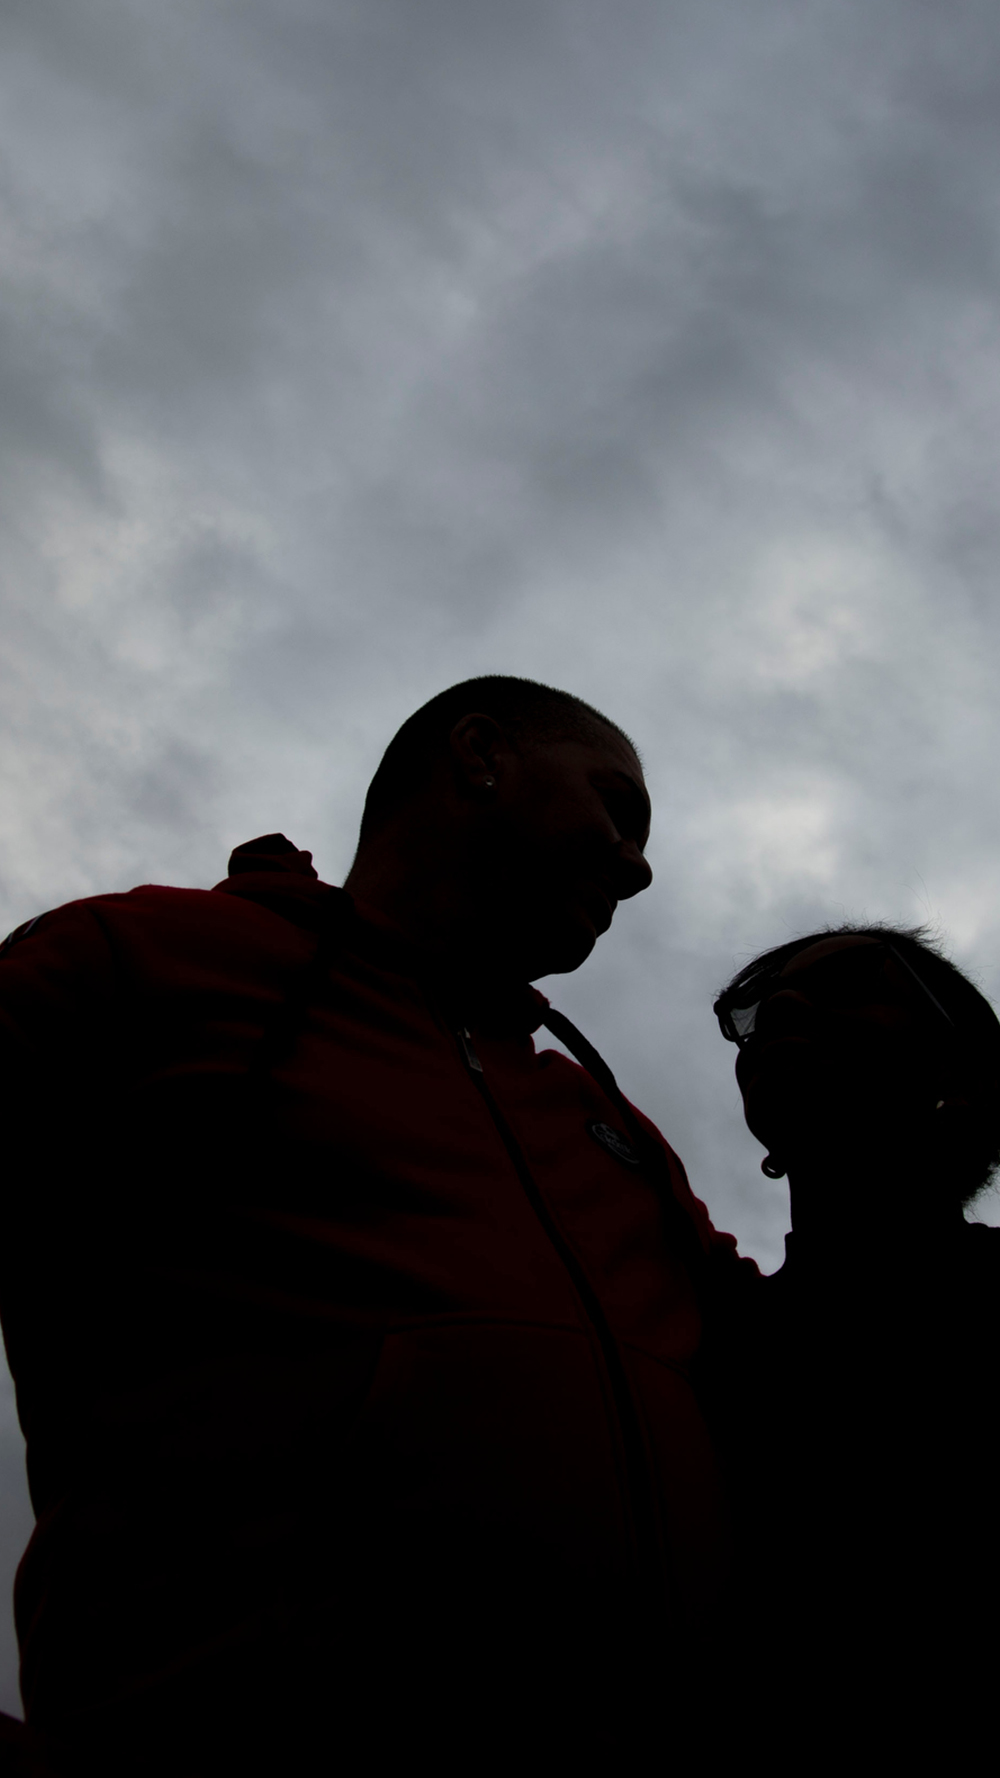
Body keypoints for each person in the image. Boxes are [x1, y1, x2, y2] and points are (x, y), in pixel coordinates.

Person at [0, 676, 751, 1775]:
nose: (637, 867)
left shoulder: (604, 1120)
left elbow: (792, 1371)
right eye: (617, 809)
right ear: (482, 756)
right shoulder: (143, 956)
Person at [711, 923, 1000, 1759]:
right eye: (759, 1014)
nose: (784, 1011)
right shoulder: (701, 1338)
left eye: (852, 987)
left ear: (963, 1079)